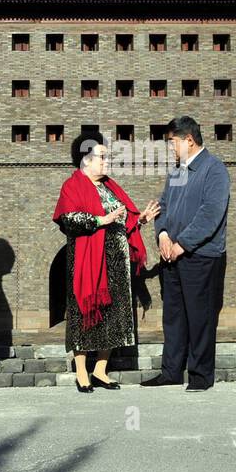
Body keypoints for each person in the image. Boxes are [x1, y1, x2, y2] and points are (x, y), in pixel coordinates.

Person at [52, 139, 160, 393]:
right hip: (87, 261)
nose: (107, 161)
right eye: (102, 157)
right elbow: (68, 218)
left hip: (116, 264)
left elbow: (125, 219)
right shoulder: (73, 185)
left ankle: (100, 369)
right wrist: (102, 220)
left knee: (114, 313)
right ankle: (81, 372)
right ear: (86, 160)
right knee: (84, 312)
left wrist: (140, 219)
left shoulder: (110, 187)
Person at [142, 116, 230, 391]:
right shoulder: (177, 172)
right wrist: (164, 235)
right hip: (172, 255)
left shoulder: (214, 170)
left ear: (189, 140)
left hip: (200, 257)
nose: (170, 148)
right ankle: (171, 371)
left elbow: (210, 214)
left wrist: (182, 245)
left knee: (200, 316)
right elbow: (164, 207)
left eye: (172, 142)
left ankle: (200, 376)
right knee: (174, 315)